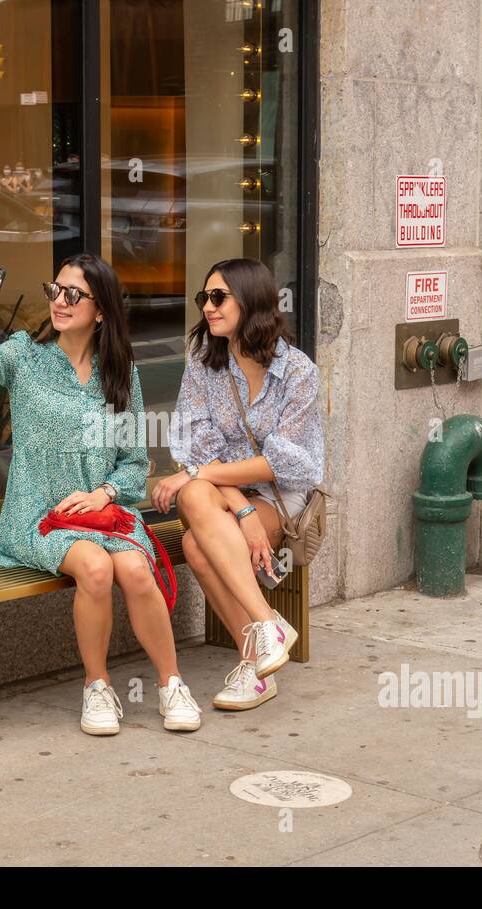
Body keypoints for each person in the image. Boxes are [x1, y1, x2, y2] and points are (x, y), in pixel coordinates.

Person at [0, 253, 202, 736]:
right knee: (96, 568)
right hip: (38, 516)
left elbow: (134, 464)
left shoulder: (120, 375)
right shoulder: (26, 357)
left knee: (136, 568)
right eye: (54, 290)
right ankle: (97, 686)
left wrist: (103, 494)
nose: (59, 301)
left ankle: (171, 683)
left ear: (100, 310)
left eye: (73, 294)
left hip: (102, 513)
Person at [154, 258, 323, 711]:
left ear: (251, 302)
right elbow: (197, 443)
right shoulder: (204, 361)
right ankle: (266, 626)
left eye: (218, 297)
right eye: (203, 298)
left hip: (280, 495)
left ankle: (255, 665)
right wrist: (240, 511)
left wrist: (202, 475)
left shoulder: (298, 372)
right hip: (226, 491)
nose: (207, 307)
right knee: (194, 492)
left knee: (194, 544)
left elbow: (283, 462)